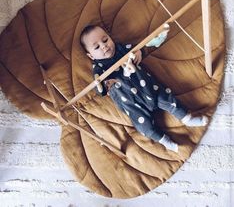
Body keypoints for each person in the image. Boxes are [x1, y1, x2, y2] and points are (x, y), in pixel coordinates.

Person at [80, 25, 208, 153]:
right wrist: (105, 84)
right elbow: (99, 89)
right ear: (91, 56)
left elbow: (140, 47)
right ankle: (164, 140)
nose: (104, 46)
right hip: (131, 103)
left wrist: (139, 52)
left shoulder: (121, 49)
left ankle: (187, 119)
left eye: (105, 40)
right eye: (97, 47)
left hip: (150, 89)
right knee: (144, 127)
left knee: (169, 99)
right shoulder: (99, 68)